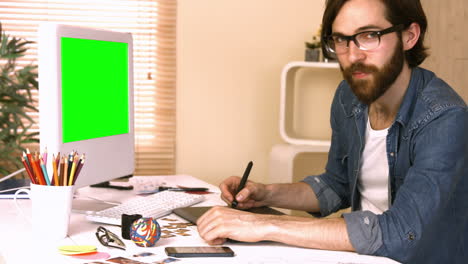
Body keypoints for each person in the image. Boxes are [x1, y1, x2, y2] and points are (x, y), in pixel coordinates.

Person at [196, 0, 468, 263]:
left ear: (409, 36)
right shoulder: (348, 97)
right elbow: (337, 185)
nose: (353, 55)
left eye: (370, 35)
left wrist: (265, 225)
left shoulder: (445, 118)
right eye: (341, 39)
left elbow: (400, 233)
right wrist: (266, 194)